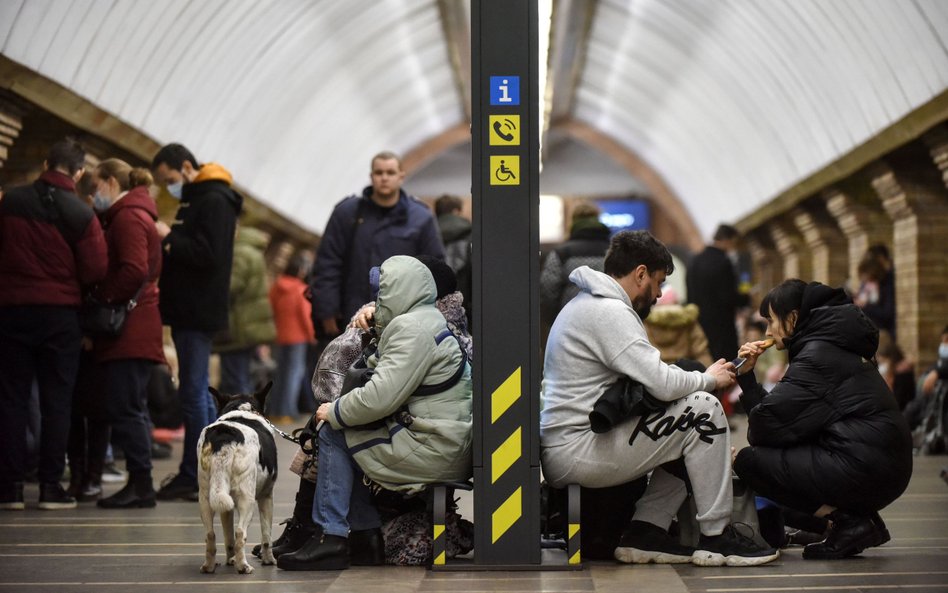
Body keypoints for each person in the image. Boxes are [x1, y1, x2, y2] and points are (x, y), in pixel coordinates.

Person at [540, 230, 778, 567]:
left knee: (686, 415)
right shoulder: (608, 312)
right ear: (640, 274)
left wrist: (704, 377)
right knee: (704, 410)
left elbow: (654, 381)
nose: (659, 293)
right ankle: (716, 537)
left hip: (573, 444)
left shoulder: (586, 305)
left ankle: (646, 533)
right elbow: (662, 382)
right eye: (658, 281)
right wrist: (709, 379)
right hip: (579, 450)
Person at [278, 255, 473, 571]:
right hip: (441, 439)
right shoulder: (423, 321)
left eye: (384, 291)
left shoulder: (412, 329)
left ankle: (332, 537)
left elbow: (380, 396)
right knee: (348, 434)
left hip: (432, 447)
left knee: (334, 433)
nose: (378, 297)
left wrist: (334, 411)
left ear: (402, 290)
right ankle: (364, 537)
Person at [732, 279, 913, 560]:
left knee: (750, 462)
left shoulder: (818, 355)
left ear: (792, 319)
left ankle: (851, 523)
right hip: (879, 462)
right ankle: (849, 522)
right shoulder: (831, 346)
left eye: (770, 321)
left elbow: (766, 429)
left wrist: (746, 378)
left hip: (868, 466)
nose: (767, 331)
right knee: (772, 457)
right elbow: (783, 425)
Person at [0, 138, 108, 510]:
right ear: (78, 172)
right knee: (56, 402)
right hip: (61, 316)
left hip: (12, 310)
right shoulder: (81, 213)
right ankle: (50, 487)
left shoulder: (10, 202)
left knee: (11, 398)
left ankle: (10, 488)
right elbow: (95, 269)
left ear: (46, 161)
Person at [151, 143, 242, 501]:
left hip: (197, 308)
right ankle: (206, 467)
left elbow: (209, 254)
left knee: (192, 393)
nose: (169, 185)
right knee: (197, 391)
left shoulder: (214, 200)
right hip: (190, 307)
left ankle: (195, 473)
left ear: (186, 166)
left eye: (169, 178)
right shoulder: (200, 197)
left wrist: (168, 238)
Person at [85, 159, 165, 508]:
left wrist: (103, 298)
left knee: (126, 406)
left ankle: (141, 484)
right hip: (138, 326)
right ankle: (140, 481)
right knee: (131, 405)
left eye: (98, 185)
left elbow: (133, 269)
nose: (96, 194)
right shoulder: (135, 213)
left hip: (131, 328)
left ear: (111, 182)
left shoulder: (128, 216)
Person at [308, 151, 444, 342]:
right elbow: (328, 262)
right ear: (371, 176)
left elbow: (434, 269)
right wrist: (327, 310)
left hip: (404, 318)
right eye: (379, 173)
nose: (384, 178)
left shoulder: (420, 218)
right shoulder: (347, 213)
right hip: (350, 315)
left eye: (390, 173)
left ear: (401, 177)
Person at [214, 225, 276, 395]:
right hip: (250, 326)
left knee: (234, 378)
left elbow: (232, 286)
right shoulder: (255, 253)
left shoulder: (240, 253)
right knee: (241, 375)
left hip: (238, 325)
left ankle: (243, 414)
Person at [540, 202, 612, 322]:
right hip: (607, 318)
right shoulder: (613, 251)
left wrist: (554, 319)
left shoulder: (561, 253)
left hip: (570, 320)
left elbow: (548, 289)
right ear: (597, 219)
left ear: (573, 222)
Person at [686, 224, 747, 363]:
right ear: (728, 240)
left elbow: (690, 296)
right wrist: (746, 298)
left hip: (699, 325)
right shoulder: (723, 262)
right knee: (725, 365)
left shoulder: (694, 261)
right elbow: (728, 296)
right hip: (722, 327)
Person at [268, 255, 316, 423]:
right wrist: (312, 335)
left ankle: (274, 410)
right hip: (298, 337)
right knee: (293, 375)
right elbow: (305, 316)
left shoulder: (277, 286)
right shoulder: (300, 288)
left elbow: (271, 308)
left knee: (279, 374)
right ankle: (287, 411)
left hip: (280, 336)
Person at [643, 287, 714, 369]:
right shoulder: (688, 320)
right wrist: (709, 375)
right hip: (688, 374)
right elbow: (701, 352)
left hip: (657, 373)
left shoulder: (647, 323)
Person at [434, 194, 472, 323]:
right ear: (456, 211)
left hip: (432, 304)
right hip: (463, 302)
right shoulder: (471, 234)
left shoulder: (428, 232)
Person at [854, 246, 896, 340]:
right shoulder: (866, 286)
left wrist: (866, 306)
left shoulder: (887, 285)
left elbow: (887, 314)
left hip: (883, 334)